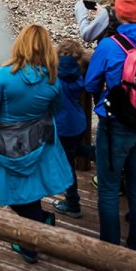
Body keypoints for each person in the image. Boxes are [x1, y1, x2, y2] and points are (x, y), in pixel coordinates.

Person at [0, 25, 74, 264]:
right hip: (38, 140)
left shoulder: (4, 74)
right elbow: (56, 109)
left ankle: (31, 243)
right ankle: (41, 220)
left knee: (11, 192)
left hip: (8, 143)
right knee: (29, 187)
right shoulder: (52, 80)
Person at [84, 0, 136, 253]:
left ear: (118, 11)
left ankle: (110, 251)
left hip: (115, 125)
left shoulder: (109, 44)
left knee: (108, 187)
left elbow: (91, 82)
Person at [50, 38, 90, 219]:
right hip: (79, 123)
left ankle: (73, 204)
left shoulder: (53, 76)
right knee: (73, 150)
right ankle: (102, 155)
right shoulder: (79, 74)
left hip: (62, 126)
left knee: (66, 166)